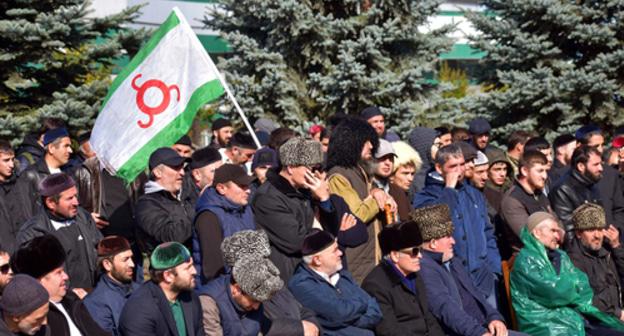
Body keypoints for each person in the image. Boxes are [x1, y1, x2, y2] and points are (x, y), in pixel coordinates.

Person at [412, 143, 501, 306]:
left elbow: (487, 232)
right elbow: (436, 224)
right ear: (439, 168)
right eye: (453, 166)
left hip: (483, 278)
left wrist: (494, 270)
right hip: (452, 279)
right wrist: (449, 190)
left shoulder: (473, 194)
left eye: (461, 164)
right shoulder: (424, 197)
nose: (459, 170)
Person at [416, 204, 523, 336]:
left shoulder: (453, 261)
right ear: (433, 243)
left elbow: (476, 294)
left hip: (482, 327)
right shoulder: (425, 269)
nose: (453, 241)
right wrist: (478, 333)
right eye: (448, 236)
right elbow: (446, 308)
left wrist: (495, 317)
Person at [511, 212, 624, 335]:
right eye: (553, 231)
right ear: (537, 233)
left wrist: (570, 287)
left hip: (574, 317)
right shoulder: (526, 260)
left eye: (557, 231)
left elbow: (583, 285)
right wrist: (573, 286)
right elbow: (554, 293)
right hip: (549, 323)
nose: (558, 236)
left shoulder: (560, 256)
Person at [253, 137, 341, 281]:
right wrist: (320, 232)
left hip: (313, 273)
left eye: (319, 168)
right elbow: (297, 242)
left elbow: (332, 231)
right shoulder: (268, 198)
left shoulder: (305, 191)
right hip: (288, 277)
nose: (315, 174)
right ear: (290, 167)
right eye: (312, 168)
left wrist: (324, 200)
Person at [217, 229, 321, 335]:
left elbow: (300, 309)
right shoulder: (244, 294)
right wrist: (300, 328)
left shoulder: (273, 280)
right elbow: (262, 326)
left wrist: (312, 324)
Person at [327, 117, 392, 283]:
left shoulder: (361, 172)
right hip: (356, 262)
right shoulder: (339, 176)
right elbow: (357, 215)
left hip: (373, 258)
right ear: (351, 142)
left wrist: (378, 193)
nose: (371, 146)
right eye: (366, 141)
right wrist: (377, 198)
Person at [17, 173, 102, 289]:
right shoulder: (33, 234)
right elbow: (34, 278)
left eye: (76, 196)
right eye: (69, 198)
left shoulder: (82, 217)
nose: (76, 202)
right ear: (51, 203)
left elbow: (99, 248)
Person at [289, 230, 382, 335]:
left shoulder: (342, 276)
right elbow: (338, 313)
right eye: (335, 250)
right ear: (317, 260)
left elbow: (375, 310)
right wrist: (363, 304)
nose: (340, 253)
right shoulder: (301, 285)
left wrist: (353, 319)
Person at [11, 234, 109, 335]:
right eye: (59, 272)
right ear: (39, 280)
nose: (66, 276)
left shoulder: (72, 300)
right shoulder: (35, 317)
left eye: (63, 271)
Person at [361, 220, 444, 336]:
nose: (420, 256)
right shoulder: (375, 286)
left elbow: (428, 318)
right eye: (414, 252)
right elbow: (389, 331)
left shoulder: (414, 275)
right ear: (395, 255)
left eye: (420, 250)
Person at [119, 242, 203, 336]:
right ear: (168, 276)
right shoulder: (139, 311)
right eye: (188, 268)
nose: (195, 271)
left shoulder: (190, 297)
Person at [192, 164, 255, 284]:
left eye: (248, 185)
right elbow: (213, 269)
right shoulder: (208, 216)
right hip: (222, 291)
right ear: (221, 188)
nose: (248, 190)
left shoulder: (246, 209)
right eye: (242, 186)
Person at [199, 256, 287, 336]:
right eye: (254, 301)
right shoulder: (209, 302)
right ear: (237, 289)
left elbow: (257, 331)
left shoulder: (254, 300)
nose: (256, 307)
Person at [567, 203, 624, 321]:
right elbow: (587, 299)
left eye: (599, 229)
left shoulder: (607, 250)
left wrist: (617, 247)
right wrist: (618, 314)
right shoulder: (573, 260)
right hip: (598, 322)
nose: (597, 235)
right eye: (591, 229)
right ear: (578, 233)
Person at [135, 148, 195, 255]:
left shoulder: (187, 194)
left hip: (194, 265)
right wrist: (201, 216)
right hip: (169, 267)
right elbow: (171, 236)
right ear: (158, 172)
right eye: (176, 167)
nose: (182, 172)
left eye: (182, 167)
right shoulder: (146, 204)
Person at [84, 236, 139, 335]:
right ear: (107, 264)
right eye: (125, 259)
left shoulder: (139, 289)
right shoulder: (96, 303)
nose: (132, 264)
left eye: (131, 258)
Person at [500, 150, 551, 255]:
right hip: (529, 261)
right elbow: (529, 236)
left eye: (546, 171)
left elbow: (556, 222)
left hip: (550, 253)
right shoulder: (512, 200)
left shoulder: (539, 194)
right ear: (524, 171)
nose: (545, 176)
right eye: (540, 171)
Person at [16, 127, 73, 218]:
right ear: (51, 148)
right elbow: (26, 214)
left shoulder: (69, 173)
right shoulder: (30, 175)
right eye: (66, 146)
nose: (71, 150)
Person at [550, 145, 603, 241]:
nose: (601, 168)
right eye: (596, 164)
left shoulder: (592, 185)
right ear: (581, 166)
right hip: (579, 250)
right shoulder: (563, 189)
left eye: (600, 164)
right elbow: (567, 230)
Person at [0, 140, 29, 253]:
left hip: (27, 251)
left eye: (12, 159)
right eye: (6, 160)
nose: (11, 165)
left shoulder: (22, 184)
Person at [388, 141, 422, 221]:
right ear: (391, 175)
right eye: (405, 173)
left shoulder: (405, 193)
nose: (410, 178)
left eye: (412, 174)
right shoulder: (396, 193)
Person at [408, 127, 439, 192]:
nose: (439, 149)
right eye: (437, 145)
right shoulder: (416, 181)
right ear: (425, 147)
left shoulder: (436, 171)